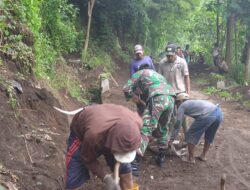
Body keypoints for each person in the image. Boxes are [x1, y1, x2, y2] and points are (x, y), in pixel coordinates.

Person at [65, 104, 142, 190]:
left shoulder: (136, 122)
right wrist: (106, 178)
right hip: (83, 128)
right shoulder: (93, 136)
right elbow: (87, 158)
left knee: (125, 172)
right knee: (74, 180)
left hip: (109, 123)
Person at [123, 67, 175, 169]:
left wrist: (136, 99)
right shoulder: (158, 76)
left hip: (158, 97)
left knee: (146, 128)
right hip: (171, 97)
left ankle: (134, 163)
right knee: (163, 128)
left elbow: (126, 88)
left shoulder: (140, 73)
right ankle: (161, 157)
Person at [169, 93, 224, 164]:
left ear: (180, 101)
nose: (176, 104)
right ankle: (203, 156)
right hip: (219, 113)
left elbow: (178, 124)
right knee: (210, 135)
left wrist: (171, 140)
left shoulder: (182, 106)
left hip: (208, 114)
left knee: (191, 135)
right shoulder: (192, 103)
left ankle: (191, 158)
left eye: (177, 102)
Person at [158, 44, 191, 137]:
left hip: (180, 92)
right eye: (167, 55)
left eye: (171, 55)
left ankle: (187, 135)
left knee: (183, 115)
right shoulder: (162, 63)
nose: (169, 57)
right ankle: (169, 137)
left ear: (175, 53)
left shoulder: (182, 62)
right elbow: (159, 79)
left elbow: (186, 77)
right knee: (169, 115)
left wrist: (188, 92)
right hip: (167, 93)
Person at [129, 44, 155, 116]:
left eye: (140, 52)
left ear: (143, 51)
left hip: (150, 85)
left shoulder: (148, 59)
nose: (139, 54)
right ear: (134, 53)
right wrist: (136, 88)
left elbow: (153, 71)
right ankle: (141, 119)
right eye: (137, 53)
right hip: (140, 87)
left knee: (152, 104)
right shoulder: (133, 63)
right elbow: (133, 77)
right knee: (141, 106)